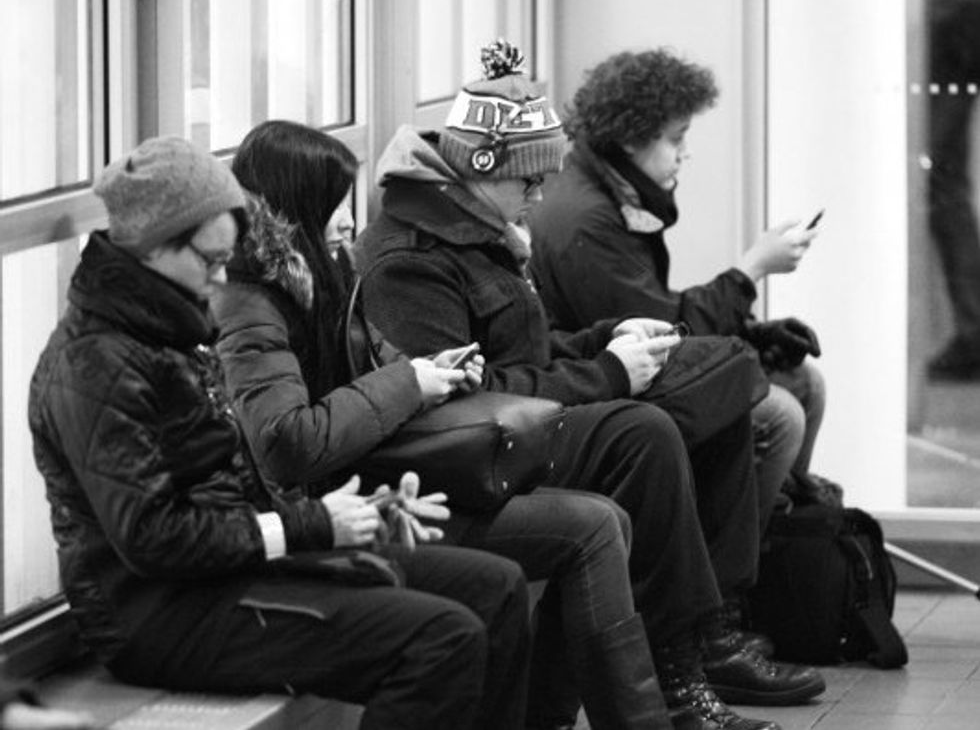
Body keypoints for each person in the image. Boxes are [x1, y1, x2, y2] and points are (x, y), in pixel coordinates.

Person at [355, 40, 825, 729]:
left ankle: (683, 662)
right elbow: (457, 397)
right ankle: (680, 671)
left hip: (519, 424)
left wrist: (607, 337)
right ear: (484, 168)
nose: (539, 196)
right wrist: (607, 371)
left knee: (713, 395)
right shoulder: (412, 259)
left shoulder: (480, 226)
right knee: (648, 435)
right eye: (528, 181)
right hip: (465, 454)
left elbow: (527, 344)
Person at [27, 135, 531, 730]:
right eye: (210, 260)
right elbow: (152, 538)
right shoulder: (96, 362)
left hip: (226, 572)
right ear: (153, 247)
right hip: (158, 614)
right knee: (441, 640)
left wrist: (357, 513)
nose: (221, 278)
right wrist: (310, 525)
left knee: (497, 587)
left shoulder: (165, 325)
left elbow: (227, 485)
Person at [213, 118, 683, 730]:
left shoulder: (328, 276)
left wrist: (437, 371)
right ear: (298, 207)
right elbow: (286, 444)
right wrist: (409, 383)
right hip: (332, 513)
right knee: (592, 523)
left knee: (608, 515)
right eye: (335, 204)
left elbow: (376, 368)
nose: (350, 221)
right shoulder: (254, 306)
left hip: (376, 485)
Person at [526, 48, 827, 530]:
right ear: (631, 138)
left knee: (803, 381)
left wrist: (754, 333)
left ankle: (775, 538)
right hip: (593, 386)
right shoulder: (586, 219)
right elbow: (661, 330)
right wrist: (751, 269)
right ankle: (731, 561)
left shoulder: (600, 185)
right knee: (780, 415)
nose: (685, 153)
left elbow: (650, 308)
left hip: (607, 364)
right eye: (676, 138)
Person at [925, 0, 980, 380]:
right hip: (959, 17)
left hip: (954, 16)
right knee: (945, 183)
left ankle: (973, 328)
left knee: (941, 181)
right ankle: (972, 326)